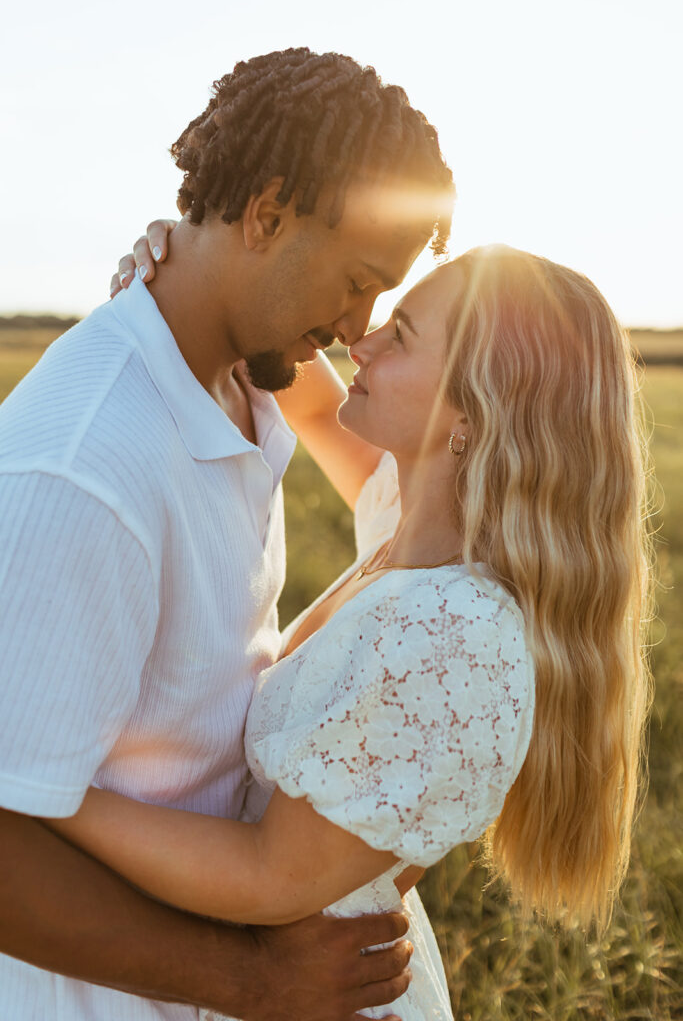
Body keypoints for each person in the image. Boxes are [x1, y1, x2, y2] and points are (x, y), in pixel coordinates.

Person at [46, 244, 653, 1020]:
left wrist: (48, 796)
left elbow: (272, 877)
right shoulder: (409, 523)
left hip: (316, 989)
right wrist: (197, 269)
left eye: (399, 334)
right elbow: (294, 388)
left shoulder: (448, 630)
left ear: (468, 413)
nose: (355, 344)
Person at [0, 49, 455, 1020]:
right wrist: (252, 981)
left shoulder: (244, 375)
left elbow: (358, 436)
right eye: (356, 281)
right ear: (264, 213)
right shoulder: (85, 472)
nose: (354, 327)